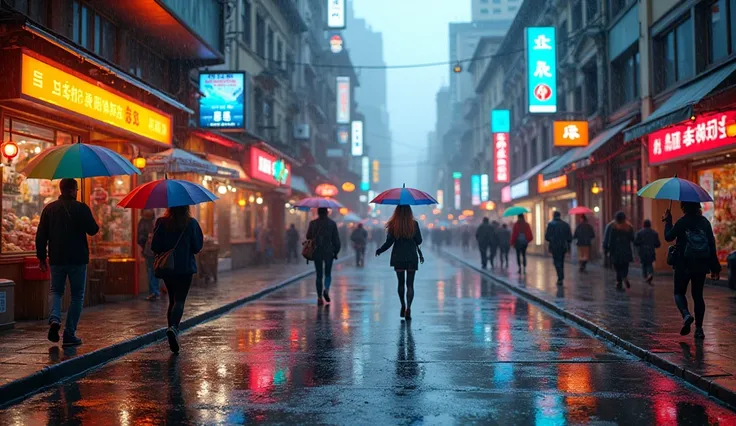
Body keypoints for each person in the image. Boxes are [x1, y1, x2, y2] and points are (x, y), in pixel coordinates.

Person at [36, 178, 99, 347]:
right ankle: (69, 333)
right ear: (72, 190)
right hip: (77, 259)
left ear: (61, 189)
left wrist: (41, 257)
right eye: (76, 189)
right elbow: (93, 230)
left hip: (56, 257)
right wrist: (86, 213)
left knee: (55, 291)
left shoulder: (49, 209)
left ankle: (55, 319)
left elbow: (41, 235)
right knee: (77, 296)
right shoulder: (81, 208)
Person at [151, 205, 204, 353]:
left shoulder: (162, 222)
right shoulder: (191, 223)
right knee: (179, 300)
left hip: (169, 268)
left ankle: (171, 332)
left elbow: (155, 246)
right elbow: (197, 247)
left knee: (172, 300)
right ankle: (173, 328)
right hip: (185, 268)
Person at [664, 201, 720, 339]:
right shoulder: (704, 222)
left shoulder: (682, 222)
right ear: (698, 207)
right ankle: (699, 329)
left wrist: (668, 220)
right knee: (698, 296)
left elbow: (668, 237)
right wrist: (715, 268)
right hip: (700, 265)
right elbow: (711, 245)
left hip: (683, 264)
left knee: (679, 292)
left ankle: (686, 315)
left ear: (683, 207)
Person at [376, 205, 423, 320]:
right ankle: (409, 308)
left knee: (401, 283)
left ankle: (402, 305)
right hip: (411, 256)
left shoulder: (394, 224)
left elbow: (389, 242)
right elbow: (419, 240)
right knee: (410, 284)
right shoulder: (414, 224)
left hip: (398, 257)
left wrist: (380, 250)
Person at [306, 207, 341, 305]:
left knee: (319, 274)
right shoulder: (332, 224)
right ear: (327, 213)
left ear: (318, 213)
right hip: (329, 252)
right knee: (328, 273)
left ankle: (319, 297)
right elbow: (336, 240)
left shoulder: (312, 223)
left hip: (316, 251)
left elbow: (308, 236)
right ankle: (326, 288)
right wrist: (336, 252)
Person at [603, 211, 635, 290]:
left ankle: (619, 282)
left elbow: (607, 239)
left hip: (615, 250)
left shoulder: (611, 226)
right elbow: (633, 239)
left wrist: (606, 249)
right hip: (626, 250)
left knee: (617, 267)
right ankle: (624, 276)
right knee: (625, 266)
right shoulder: (629, 227)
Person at [137, 209, 160, 300]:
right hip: (155, 250)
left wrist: (145, 241)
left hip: (149, 251)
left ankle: (153, 291)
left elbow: (139, 237)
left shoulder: (142, 222)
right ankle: (155, 291)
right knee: (155, 271)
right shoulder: (156, 221)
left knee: (151, 271)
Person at [545, 211, 572, 286]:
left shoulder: (550, 225)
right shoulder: (565, 225)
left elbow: (547, 237)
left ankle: (560, 277)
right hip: (563, 246)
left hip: (554, 246)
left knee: (556, 261)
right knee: (561, 261)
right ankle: (561, 277)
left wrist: (552, 239)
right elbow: (569, 237)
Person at [634, 219, 661, 284]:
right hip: (651, 251)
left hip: (642, 252)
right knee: (649, 264)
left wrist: (641, 244)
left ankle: (645, 277)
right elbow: (658, 244)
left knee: (644, 265)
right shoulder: (654, 233)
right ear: (650, 225)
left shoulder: (639, 233)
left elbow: (636, 242)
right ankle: (650, 274)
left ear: (643, 225)